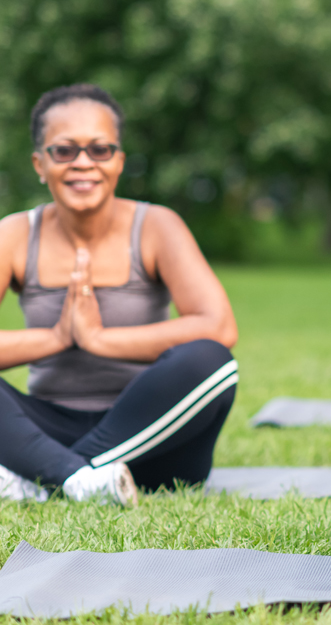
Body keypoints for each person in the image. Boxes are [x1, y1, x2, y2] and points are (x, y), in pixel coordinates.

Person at [0, 84, 239, 506]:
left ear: (119, 161)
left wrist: (97, 339)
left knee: (210, 360)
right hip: (46, 427)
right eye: (64, 151)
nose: (83, 164)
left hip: (154, 441)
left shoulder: (156, 226)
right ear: (40, 164)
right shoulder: (16, 234)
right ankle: (74, 478)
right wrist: (59, 336)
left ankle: (49, 477)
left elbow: (218, 326)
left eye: (100, 150)